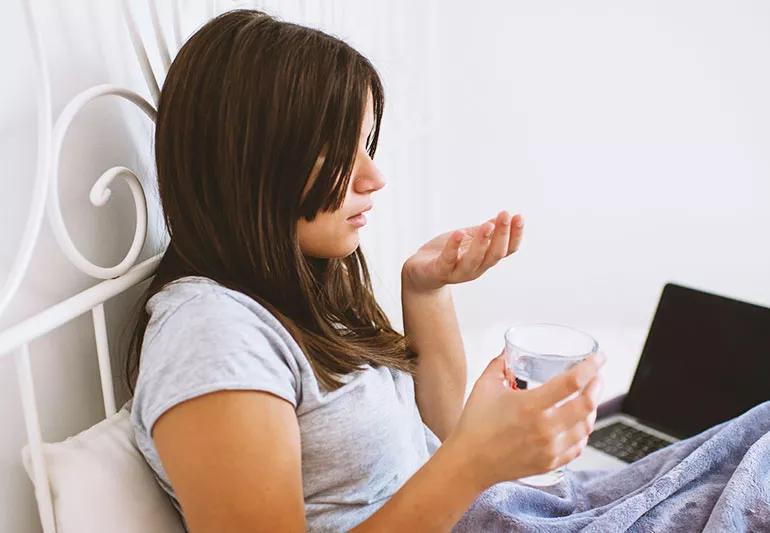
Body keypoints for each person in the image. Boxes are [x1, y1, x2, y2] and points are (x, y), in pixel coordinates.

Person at [127, 9, 769, 533]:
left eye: (369, 144)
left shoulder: (293, 292)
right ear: (250, 161)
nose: (375, 178)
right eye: (338, 149)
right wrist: (476, 462)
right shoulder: (210, 333)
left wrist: (424, 287)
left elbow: (432, 432)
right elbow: (453, 456)